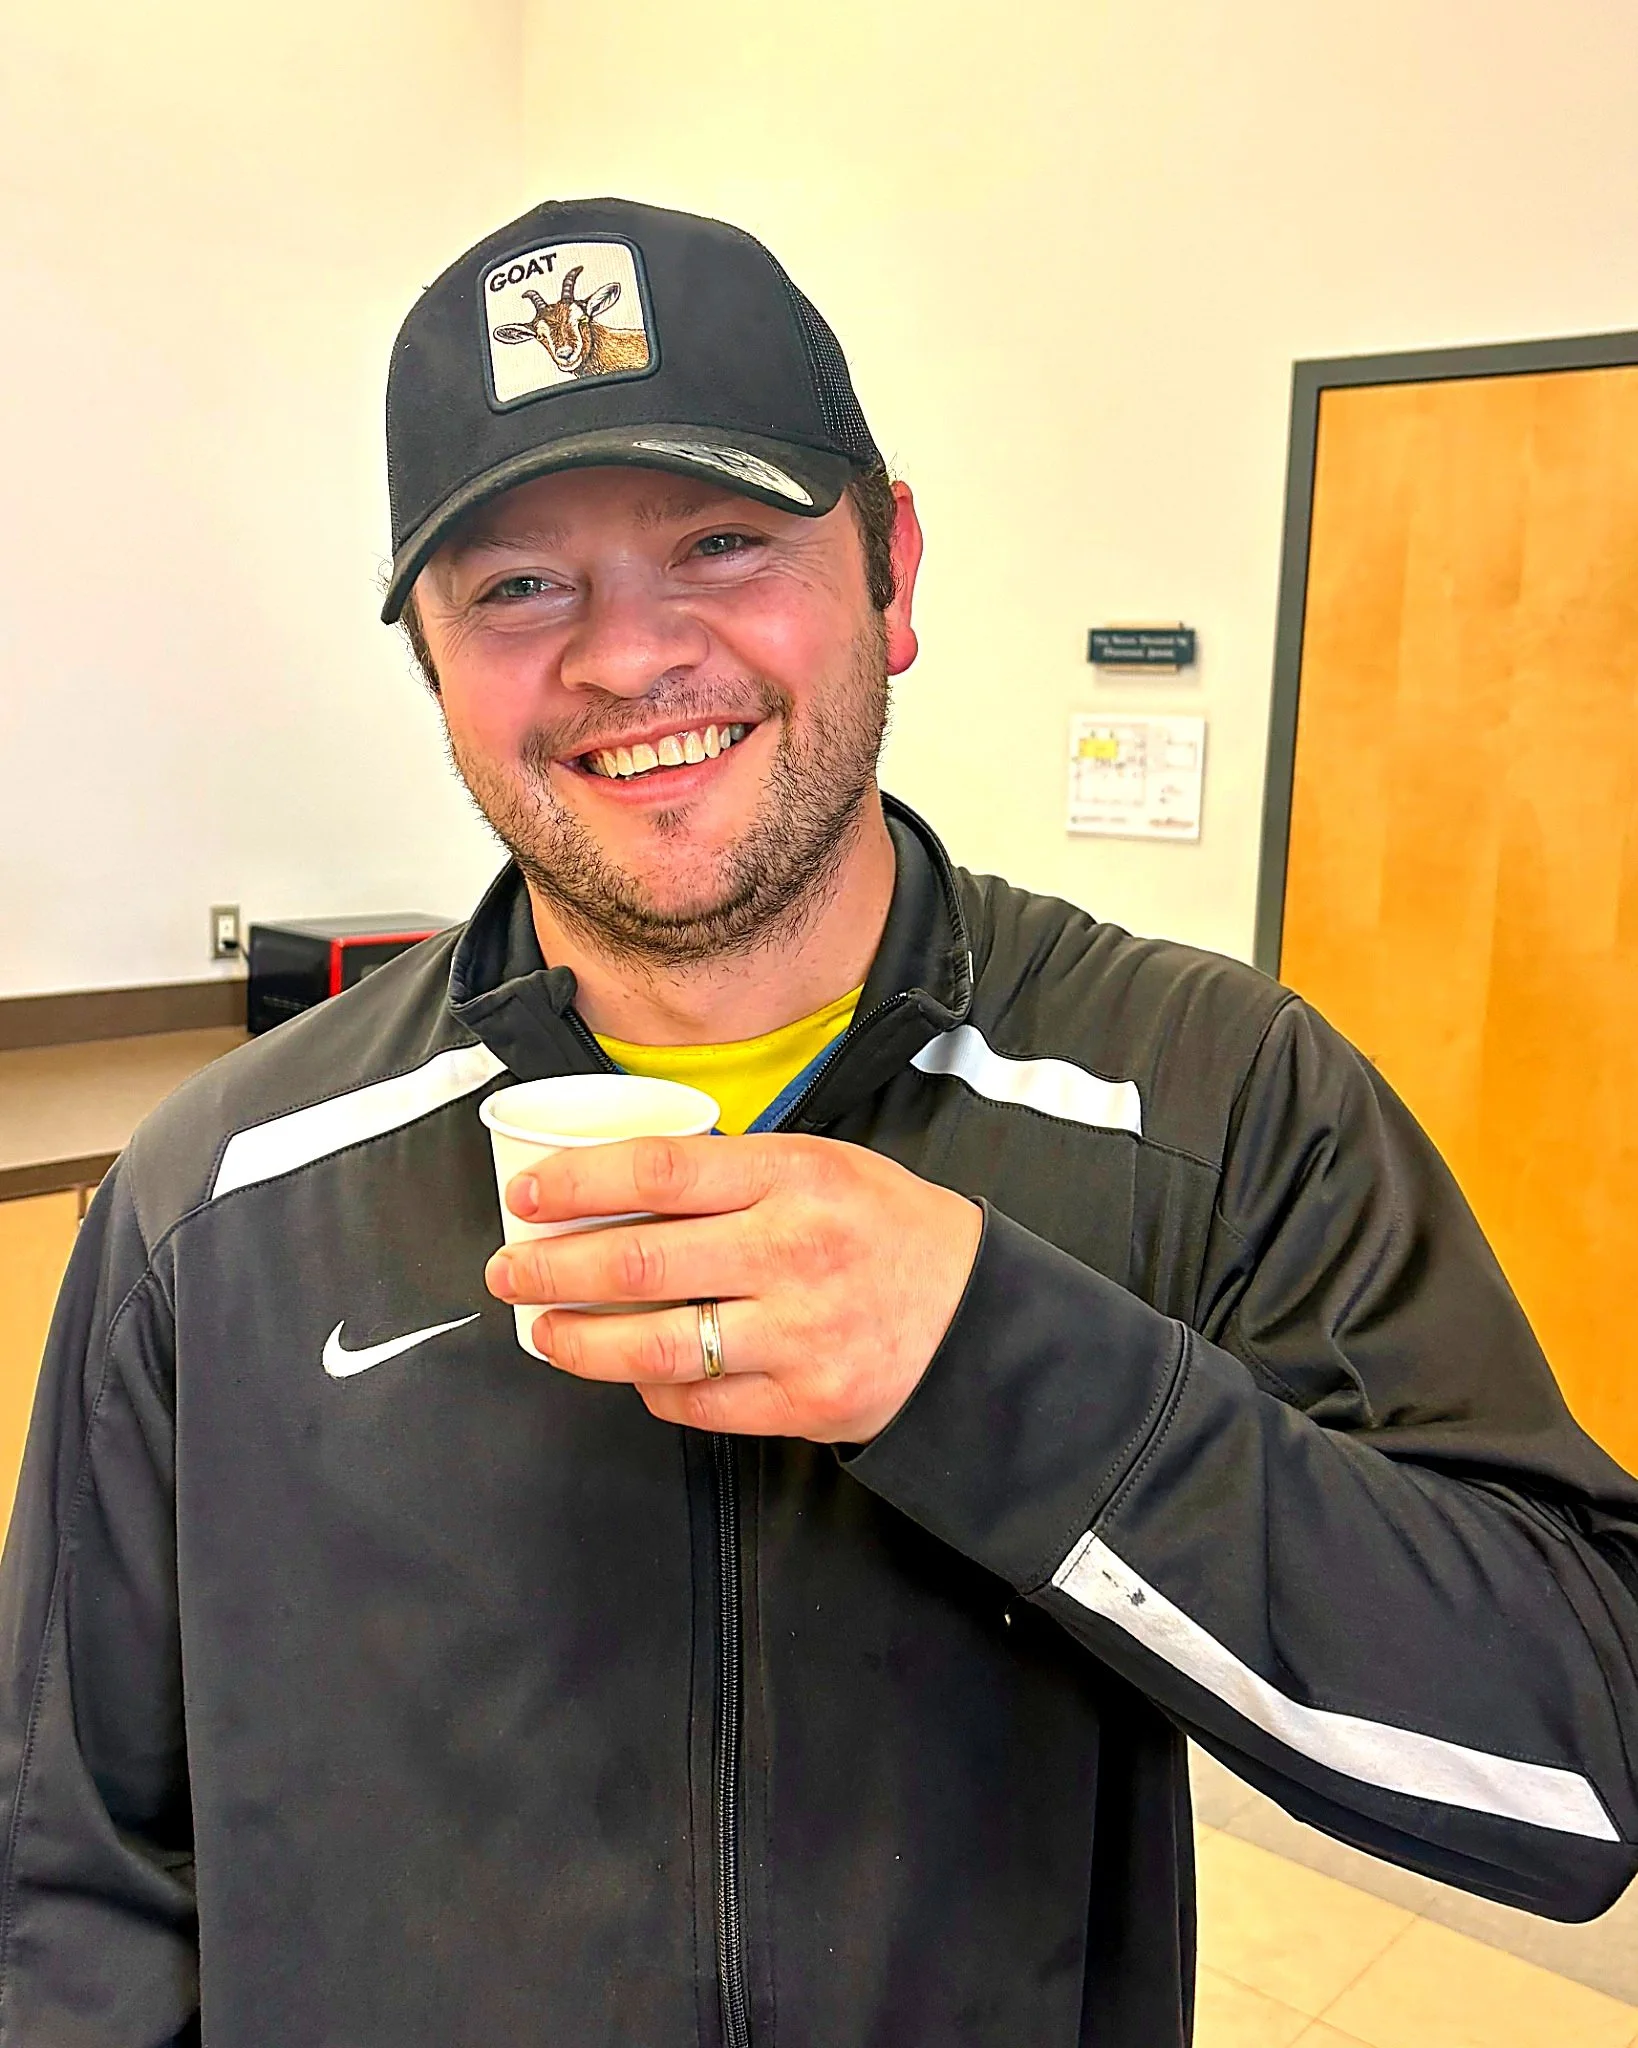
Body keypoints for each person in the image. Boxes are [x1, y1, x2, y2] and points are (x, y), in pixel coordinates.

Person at [2, 196, 1635, 2048]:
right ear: (435, 669)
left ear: (891, 572)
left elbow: (1571, 1761)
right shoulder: (207, 1201)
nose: (625, 659)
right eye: (515, 586)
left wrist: (994, 1366)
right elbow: (72, 1880)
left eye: (721, 540)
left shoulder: (1205, 1093)